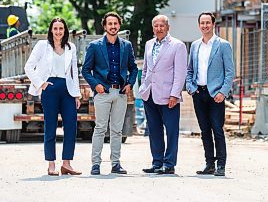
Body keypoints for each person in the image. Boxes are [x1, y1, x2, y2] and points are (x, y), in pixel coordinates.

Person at [82, 12, 138, 175]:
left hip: (120, 92)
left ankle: (115, 163)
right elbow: (86, 69)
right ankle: (96, 164)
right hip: (103, 92)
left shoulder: (126, 46)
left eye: (115, 24)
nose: (113, 26)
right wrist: (96, 85)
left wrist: (130, 83)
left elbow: (133, 68)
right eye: (110, 24)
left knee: (117, 130)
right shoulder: (95, 46)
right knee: (100, 128)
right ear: (105, 26)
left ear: (119, 25)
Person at [24, 18, 82, 176]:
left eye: (61, 28)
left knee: (71, 125)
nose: (58, 32)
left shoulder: (71, 47)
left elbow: (74, 72)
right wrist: (41, 83)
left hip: (67, 90)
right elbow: (28, 66)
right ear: (51, 30)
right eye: (55, 28)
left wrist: (77, 94)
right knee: (50, 126)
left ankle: (67, 164)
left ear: (65, 30)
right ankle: (51, 165)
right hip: (49, 89)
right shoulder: (43, 46)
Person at [186, 12, 234, 177]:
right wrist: (191, 88)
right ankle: (209, 164)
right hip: (199, 92)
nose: (205, 25)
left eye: (208, 22)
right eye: (202, 23)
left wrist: (223, 92)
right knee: (204, 130)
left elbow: (229, 72)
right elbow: (190, 70)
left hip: (216, 95)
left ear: (213, 24)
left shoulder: (223, 45)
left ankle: (221, 165)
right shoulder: (195, 46)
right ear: (199, 25)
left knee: (217, 129)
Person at [139, 15, 187, 175]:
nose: (159, 28)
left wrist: (175, 94)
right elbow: (146, 69)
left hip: (168, 96)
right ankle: (157, 162)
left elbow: (180, 73)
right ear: (153, 28)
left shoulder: (177, 46)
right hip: (150, 94)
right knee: (154, 130)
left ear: (168, 27)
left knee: (171, 130)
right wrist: (143, 87)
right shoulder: (148, 44)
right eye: (156, 26)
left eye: (162, 26)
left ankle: (169, 163)